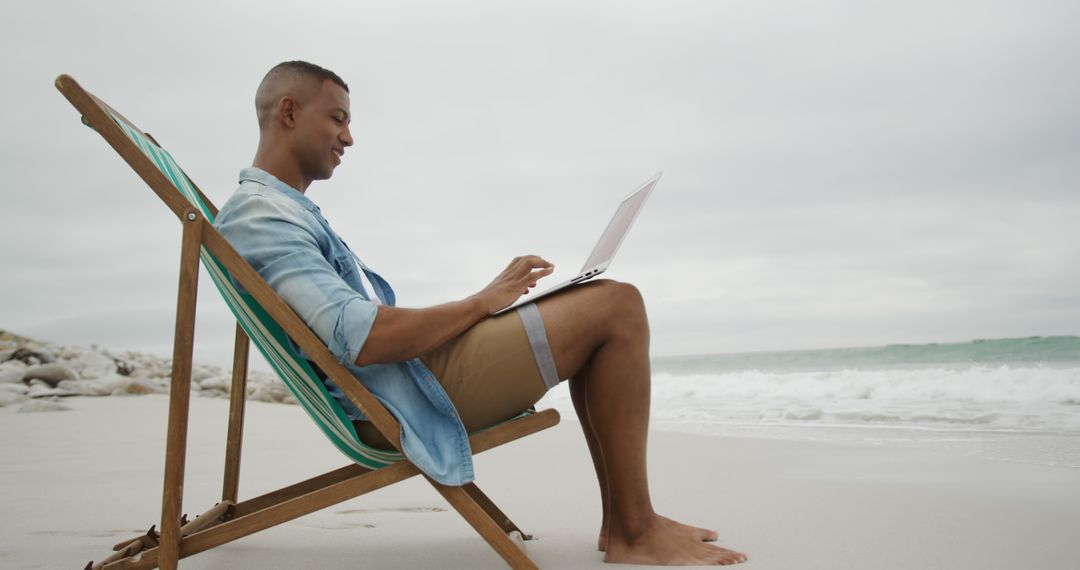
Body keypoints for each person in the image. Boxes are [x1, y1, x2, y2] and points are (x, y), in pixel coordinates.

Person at [215, 60, 747, 566]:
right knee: (616, 306)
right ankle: (635, 530)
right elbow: (365, 337)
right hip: (401, 399)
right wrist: (482, 302)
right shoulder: (263, 216)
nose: (348, 138)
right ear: (288, 113)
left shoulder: (277, 211)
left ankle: (627, 520)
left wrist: (483, 303)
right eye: (337, 118)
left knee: (599, 300)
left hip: (404, 378)